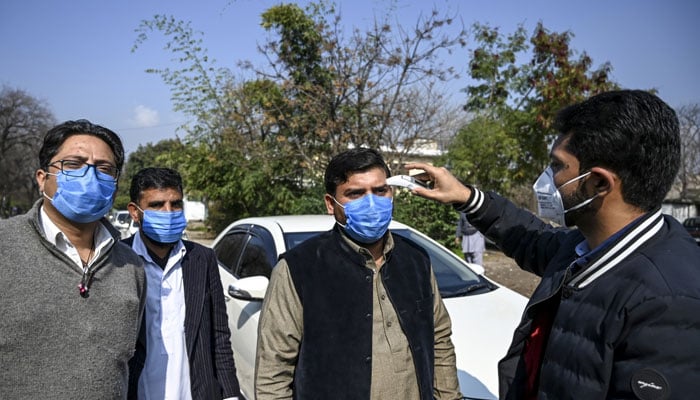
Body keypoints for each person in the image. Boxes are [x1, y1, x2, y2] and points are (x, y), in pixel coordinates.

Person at [405, 90, 700, 399]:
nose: (546, 179)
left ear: (599, 183)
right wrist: (466, 197)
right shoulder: (585, 248)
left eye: (558, 166)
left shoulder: (669, 304)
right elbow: (530, 237)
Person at [254, 148, 462, 399]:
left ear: (391, 193)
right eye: (356, 194)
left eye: (380, 190)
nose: (371, 203)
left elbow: (439, 340)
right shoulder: (299, 268)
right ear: (331, 204)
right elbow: (273, 369)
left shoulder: (415, 260)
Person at [0, 119, 146, 399]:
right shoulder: (5, 244)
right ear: (42, 177)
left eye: (104, 169)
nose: (90, 176)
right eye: (74, 164)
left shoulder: (131, 266)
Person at [124, 167, 241, 400]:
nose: (168, 212)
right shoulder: (117, 260)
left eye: (175, 204)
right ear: (135, 212)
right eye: (157, 205)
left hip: (194, 392)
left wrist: (230, 394)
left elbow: (219, 334)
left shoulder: (201, 259)